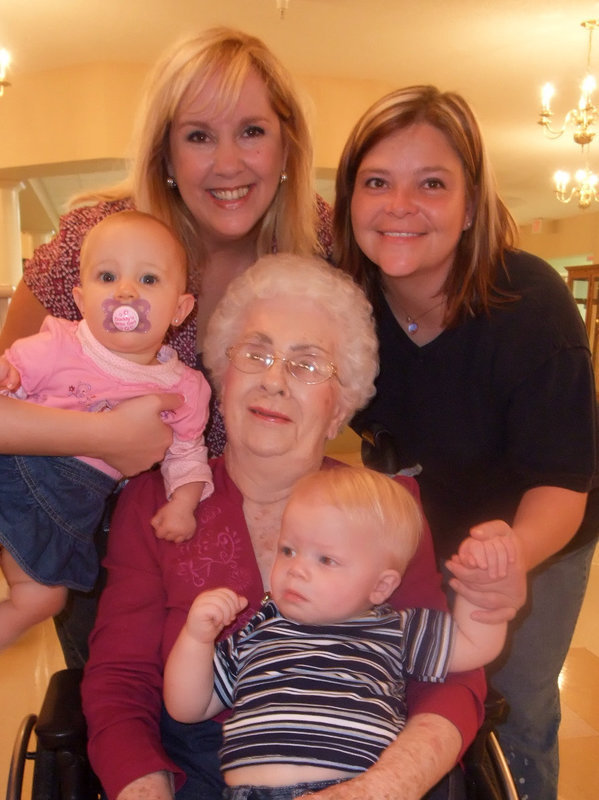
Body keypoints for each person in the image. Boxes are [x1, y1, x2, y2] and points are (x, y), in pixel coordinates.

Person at [82, 253, 499, 800]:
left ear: (338, 408)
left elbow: (445, 675)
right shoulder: (154, 502)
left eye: (306, 365)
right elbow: (121, 681)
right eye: (255, 354)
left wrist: (377, 790)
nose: (274, 381)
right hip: (199, 777)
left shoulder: (385, 508)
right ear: (221, 378)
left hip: (365, 772)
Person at [0, 26, 332, 664]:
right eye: (199, 135)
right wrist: (104, 438)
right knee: (121, 720)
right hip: (101, 544)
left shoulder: (319, 243)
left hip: (264, 550)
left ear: (287, 143)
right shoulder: (97, 241)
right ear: (166, 153)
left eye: (252, 131)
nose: (228, 163)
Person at [333, 84, 598, 800]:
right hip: (421, 527)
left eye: (431, 184)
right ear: (347, 197)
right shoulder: (342, 302)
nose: (399, 206)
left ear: (471, 204)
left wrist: (507, 558)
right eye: (376, 182)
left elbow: (562, 485)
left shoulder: (530, 305)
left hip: (536, 533)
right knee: (414, 701)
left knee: (513, 707)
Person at [164, 465, 516, 800]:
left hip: (354, 789)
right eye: (288, 550)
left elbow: (474, 646)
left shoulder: (394, 628)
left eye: (326, 560)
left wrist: (482, 588)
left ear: (381, 586)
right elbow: (187, 708)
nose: (296, 569)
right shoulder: (257, 631)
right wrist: (196, 639)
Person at [0, 210, 213, 649]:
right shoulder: (59, 342)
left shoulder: (184, 388)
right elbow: (12, 374)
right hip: (15, 466)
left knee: (43, 598)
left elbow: (188, 452)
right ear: (80, 299)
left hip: (67, 504)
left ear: (180, 308)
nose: (126, 291)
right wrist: (6, 373)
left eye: (149, 280)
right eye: (107, 276)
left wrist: (184, 503)